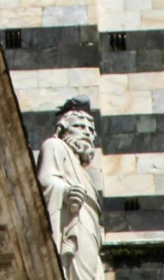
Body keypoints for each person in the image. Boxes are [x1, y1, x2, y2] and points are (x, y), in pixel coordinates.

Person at [36, 99, 104, 280]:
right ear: (62, 129)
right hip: (72, 222)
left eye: (90, 130)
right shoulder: (54, 145)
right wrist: (65, 192)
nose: (87, 133)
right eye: (80, 127)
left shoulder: (84, 173)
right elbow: (45, 180)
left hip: (89, 230)